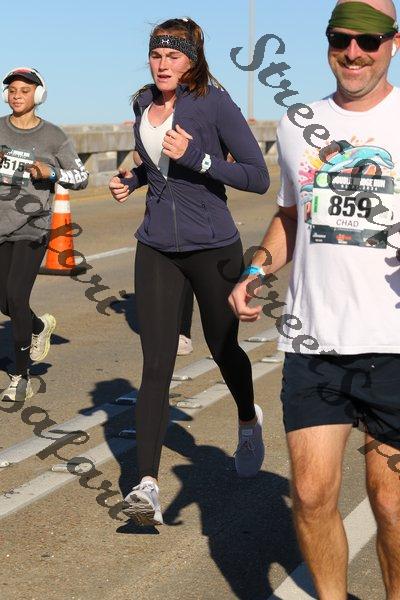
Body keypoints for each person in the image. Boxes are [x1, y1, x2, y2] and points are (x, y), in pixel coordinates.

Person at [229, 1, 400, 597]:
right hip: (315, 341)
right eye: (341, 38)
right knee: (309, 494)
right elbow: (290, 215)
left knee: (391, 504)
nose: (354, 52)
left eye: (369, 41)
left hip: (394, 345)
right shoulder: (298, 124)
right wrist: (257, 268)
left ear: (393, 44)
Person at [109, 17, 269, 526]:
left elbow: (257, 177)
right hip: (156, 246)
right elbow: (157, 162)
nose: (162, 64)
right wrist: (134, 179)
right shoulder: (143, 102)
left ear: (192, 60)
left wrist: (199, 159)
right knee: (156, 364)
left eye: (173, 56)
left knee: (223, 348)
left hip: (213, 246)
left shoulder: (215, 103)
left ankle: (247, 420)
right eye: (156, 55)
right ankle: (147, 486)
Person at [0, 67, 88, 403]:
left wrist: (51, 172)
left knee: (16, 296)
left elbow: (81, 177)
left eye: (24, 90)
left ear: (38, 95)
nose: (17, 96)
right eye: (12, 90)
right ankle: (38, 327)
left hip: (32, 226)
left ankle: (21, 376)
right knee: (5, 301)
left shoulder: (53, 136)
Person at [132, 148, 195, 356]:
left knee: (187, 262)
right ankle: (164, 330)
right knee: (161, 263)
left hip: (195, 202)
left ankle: (182, 331)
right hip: (160, 201)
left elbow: (228, 156)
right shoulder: (148, 122)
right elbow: (137, 154)